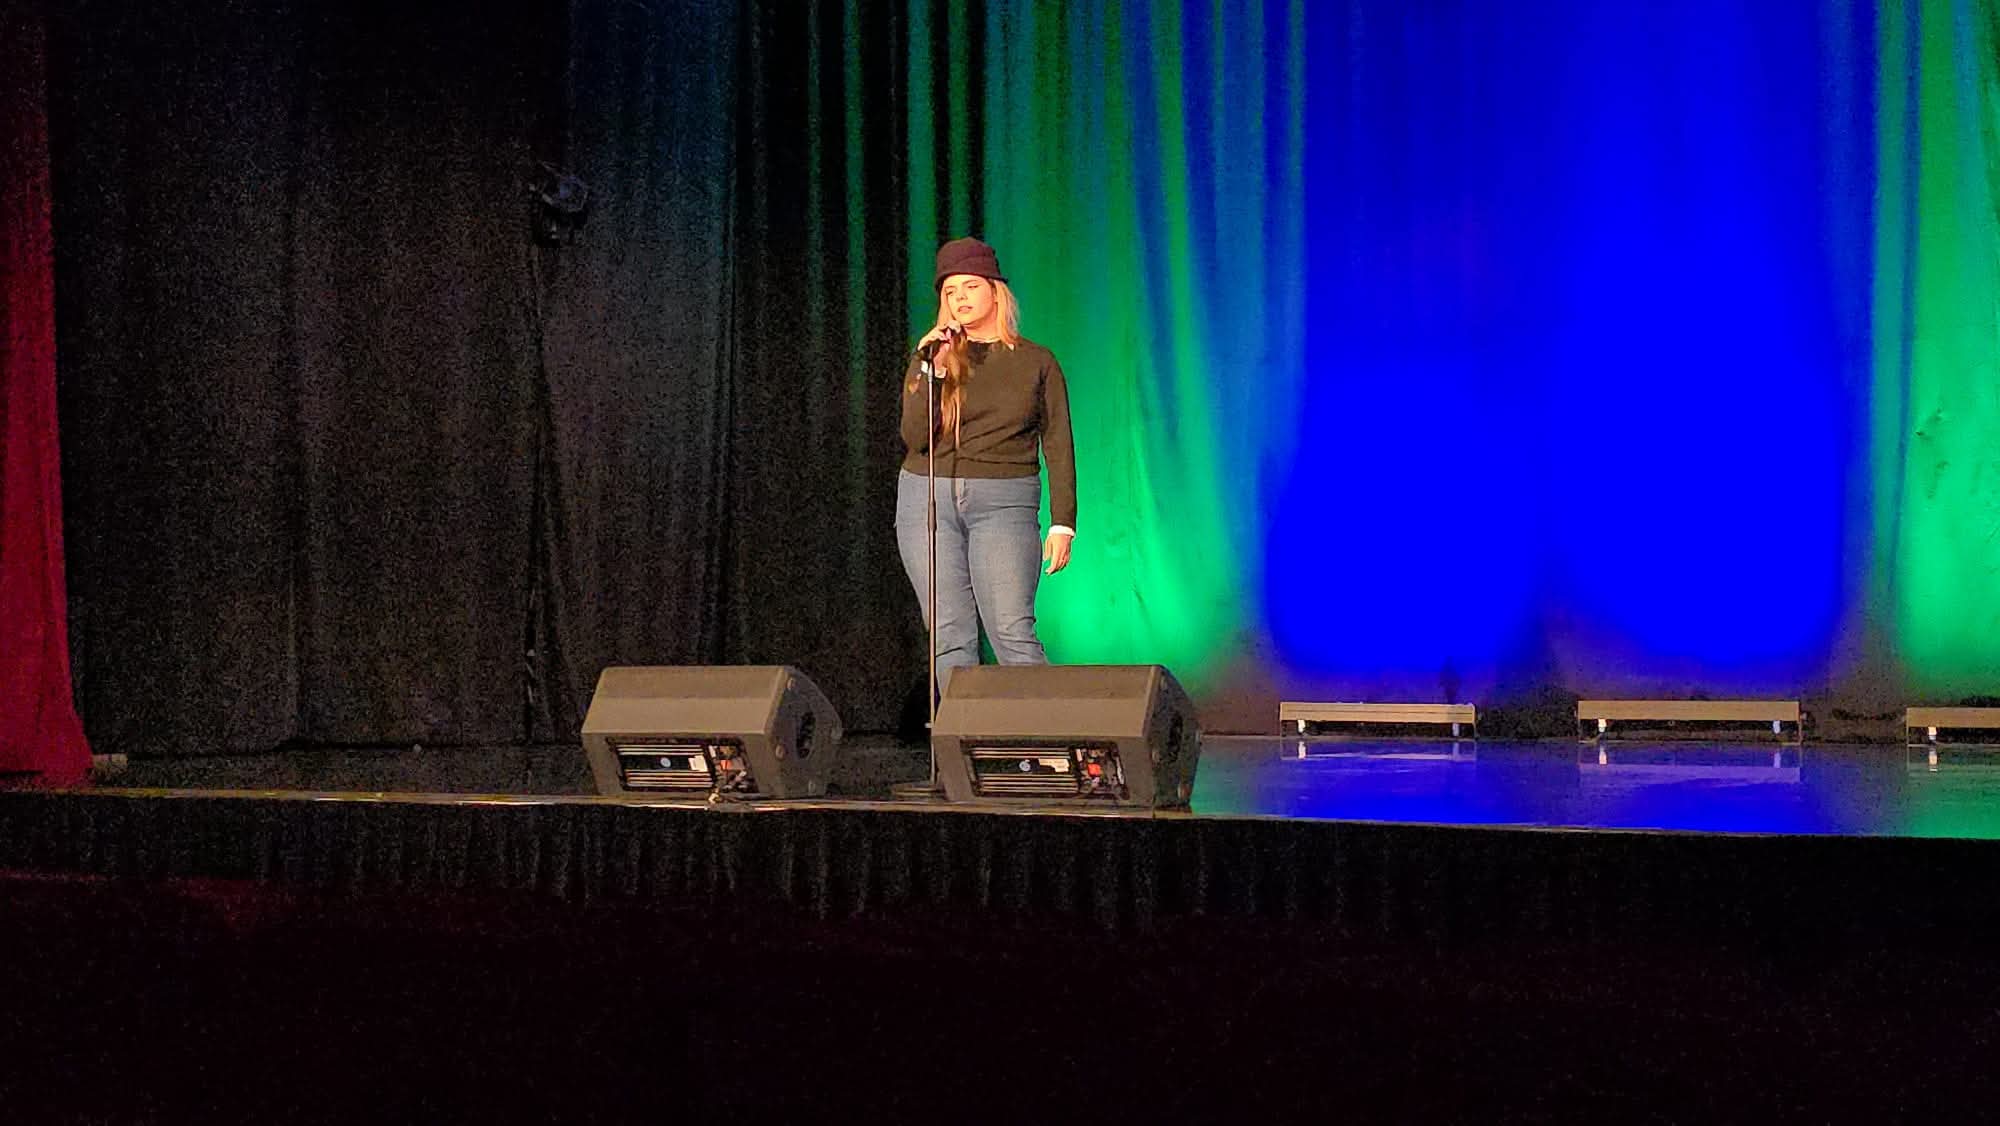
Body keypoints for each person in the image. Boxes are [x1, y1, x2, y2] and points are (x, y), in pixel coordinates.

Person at [896, 237, 1075, 700]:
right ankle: (966, 738)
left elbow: (1058, 441)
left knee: (1011, 629)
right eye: (950, 291)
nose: (960, 298)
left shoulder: (1036, 361)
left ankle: (1046, 736)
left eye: (970, 286)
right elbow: (915, 437)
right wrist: (932, 371)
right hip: (928, 499)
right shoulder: (933, 357)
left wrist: (1063, 522)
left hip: (1003, 500)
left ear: (996, 291)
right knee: (948, 633)